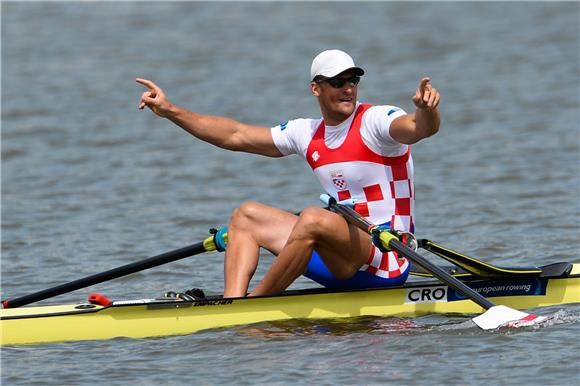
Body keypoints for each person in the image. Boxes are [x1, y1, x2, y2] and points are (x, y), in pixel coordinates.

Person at [137, 49, 440, 298]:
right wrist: (171, 111)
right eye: (337, 82)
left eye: (353, 80)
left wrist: (427, 111)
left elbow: (418, 128)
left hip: (386, 258)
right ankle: (232, 305)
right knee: (246, 216)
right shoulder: (306, 132)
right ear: (316, 88)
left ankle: (255, 305)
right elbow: (234, 135)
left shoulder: (375, 121)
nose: (348, 88)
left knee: (312, 217)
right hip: (341, 259)